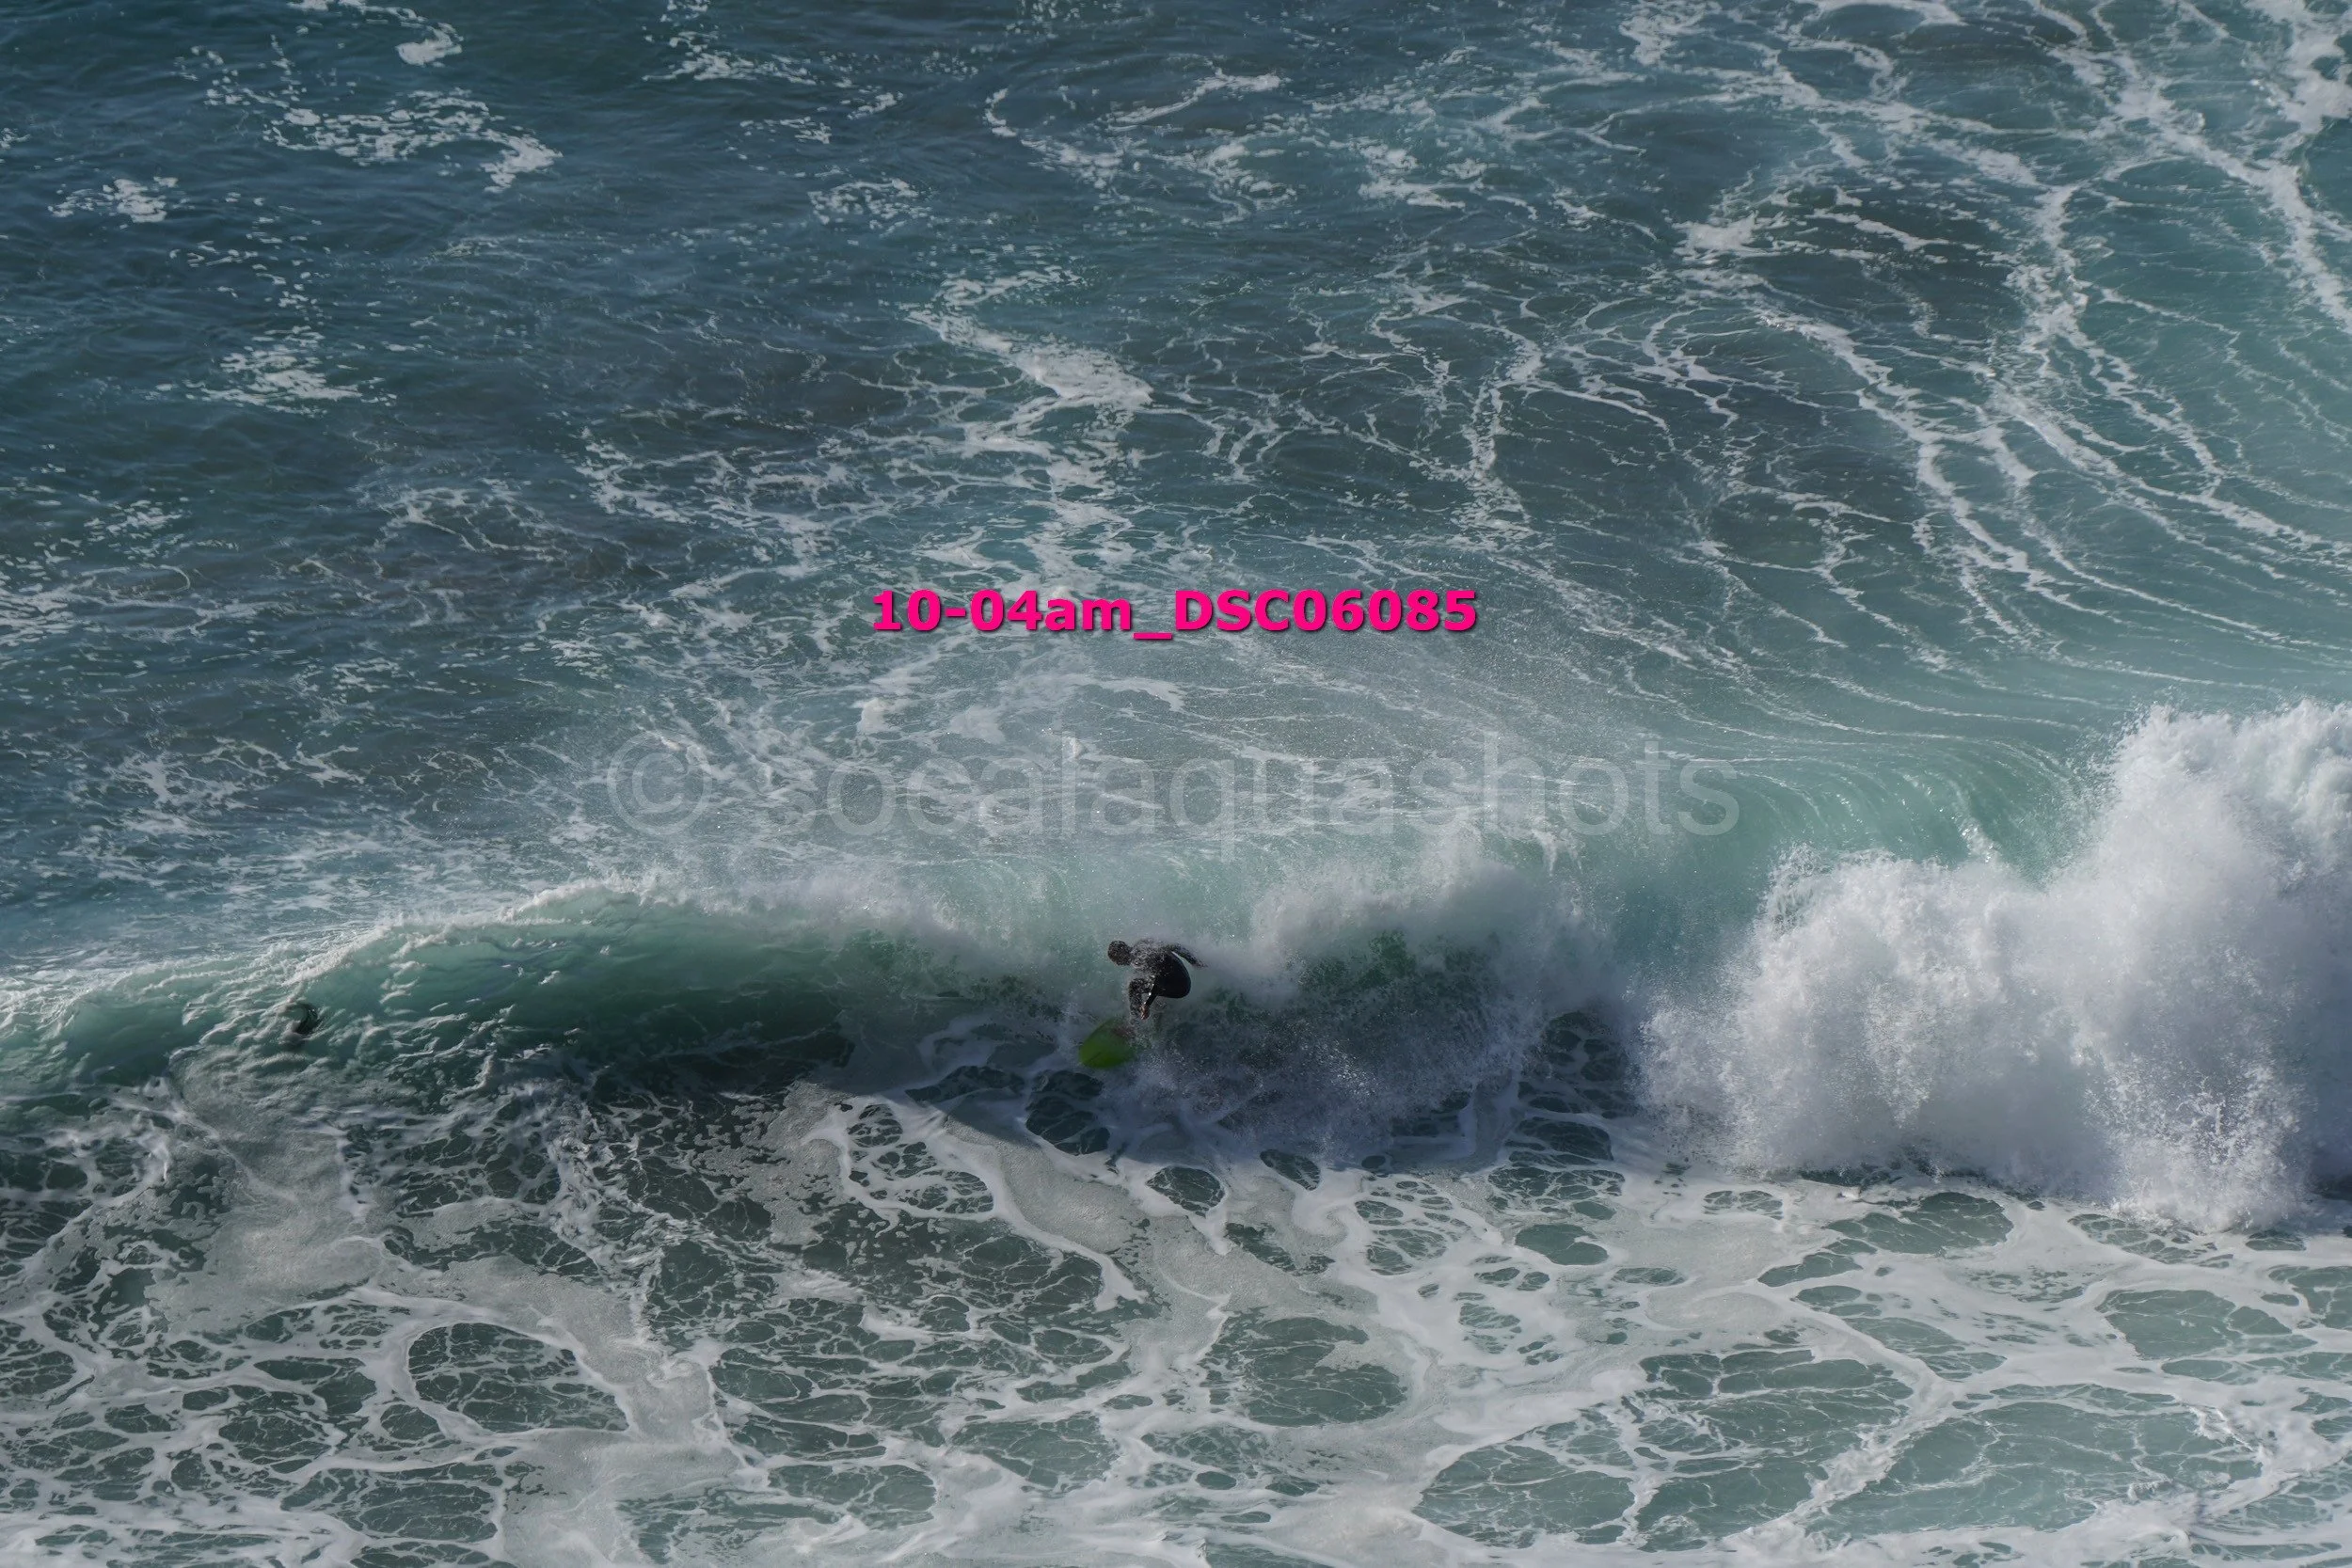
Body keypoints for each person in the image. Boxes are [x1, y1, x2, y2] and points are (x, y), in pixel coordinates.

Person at [1106, 940, 1201, 1023]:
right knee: (1146, 981)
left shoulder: (1138, 959)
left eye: (1116, 960)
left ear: (1120, 953)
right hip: (1183, 978)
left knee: (1134, 986)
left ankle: (1134, 1027)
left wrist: (1147, 1003)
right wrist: (1194, 961)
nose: (1118, 964)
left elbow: (1159, 977)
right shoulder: (1142, 944)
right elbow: (1175, 946)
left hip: (1180, 988)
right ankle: (1158, 1005)